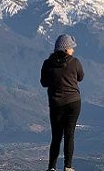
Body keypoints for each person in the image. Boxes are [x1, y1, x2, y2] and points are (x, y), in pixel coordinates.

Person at [40, 34, 84, 171]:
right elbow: (80, 77)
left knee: (56, 136)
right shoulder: (75, 62)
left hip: (56, 104)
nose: (73, 50)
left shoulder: (48, 64)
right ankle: (68, 166)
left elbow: (44, 83)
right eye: (71, 48)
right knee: (69, 134)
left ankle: (52, 167)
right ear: (66, 49)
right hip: (73, 102)